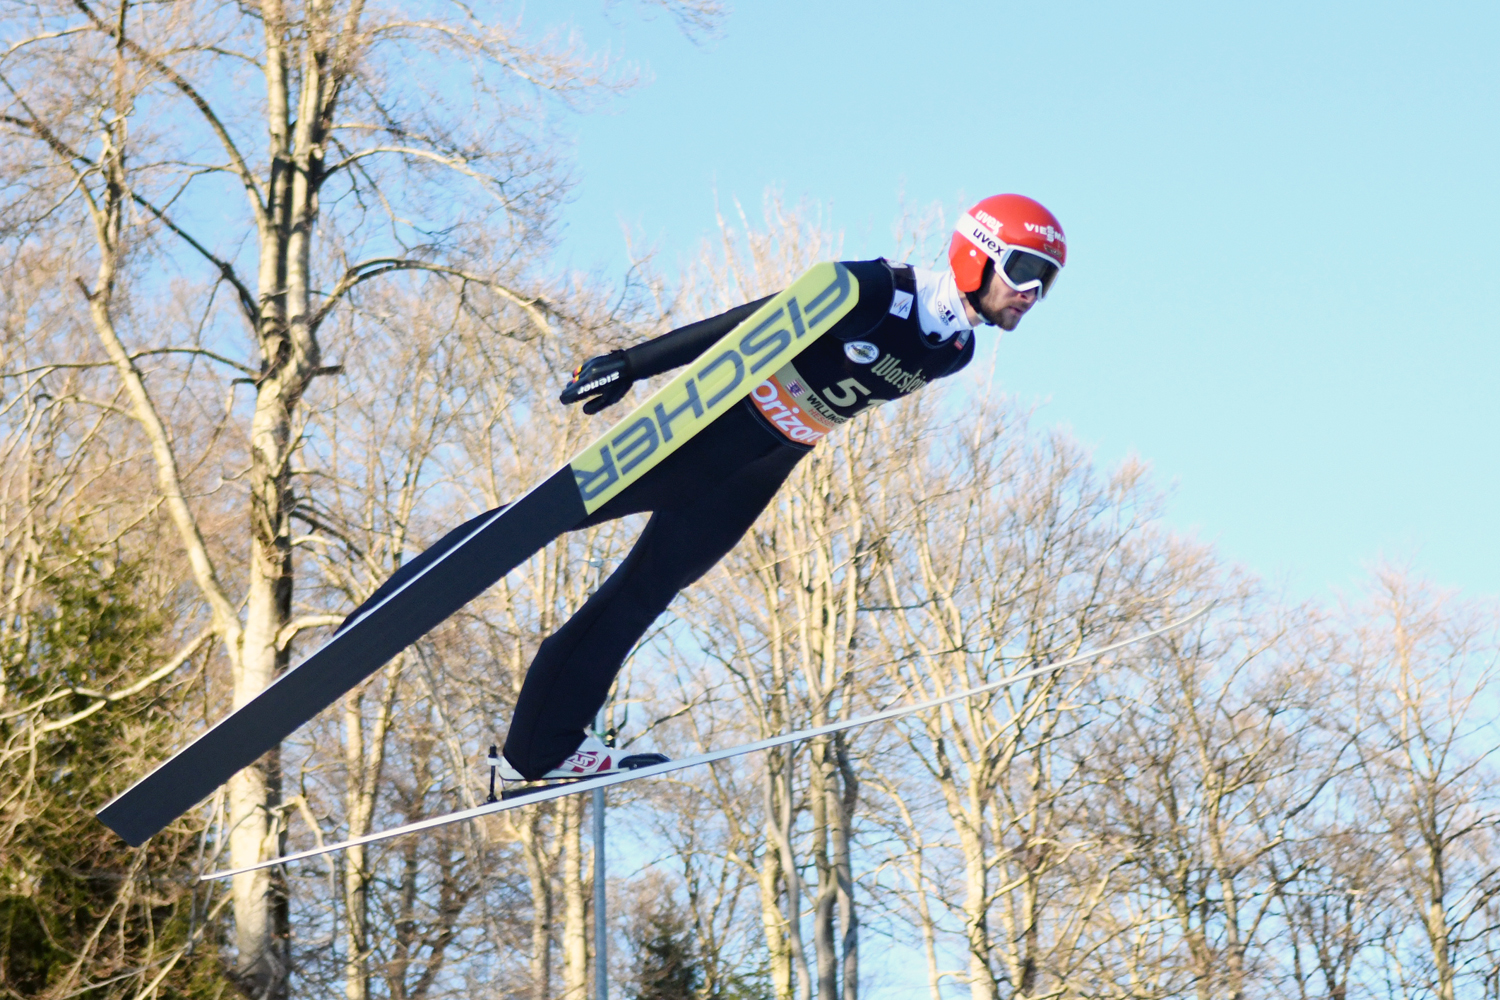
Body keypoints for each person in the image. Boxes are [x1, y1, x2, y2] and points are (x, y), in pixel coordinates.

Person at [498, 194, 1066, 781]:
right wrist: (632, 364)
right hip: (706, 438)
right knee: (534, 521)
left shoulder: (956, 352)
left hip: (758, 472)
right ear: (980, 254)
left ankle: (537, 751)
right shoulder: (876, 289)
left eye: (1044, 281)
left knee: (641, 596)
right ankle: (421, 578)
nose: (1031, 292)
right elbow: (748, 322)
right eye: (1024, 270)